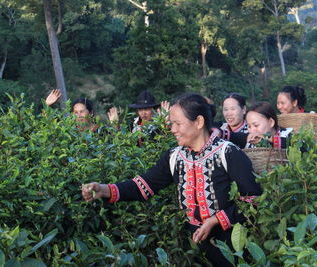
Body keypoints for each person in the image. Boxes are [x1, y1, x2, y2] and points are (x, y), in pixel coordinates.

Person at [82, 93, 262, 266]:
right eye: (171, 123)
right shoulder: (174, 157)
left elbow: (252, 199)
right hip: (192, 249)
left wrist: (214, 220)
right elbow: (142, 186)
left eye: (177, 123)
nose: (172, 129)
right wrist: (104, 189)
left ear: (199, 122)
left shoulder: (228, 153)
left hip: (231, 247)